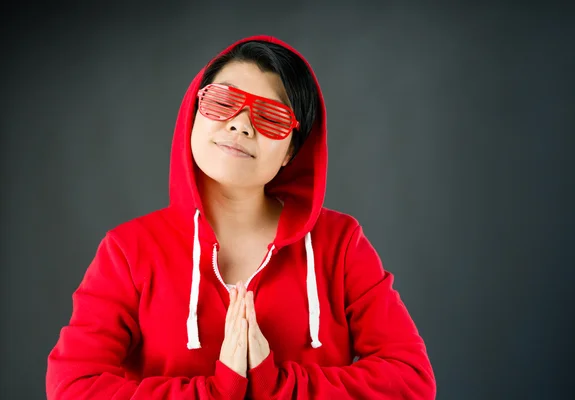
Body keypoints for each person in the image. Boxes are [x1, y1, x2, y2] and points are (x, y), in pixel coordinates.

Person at [46, 35, 436, 399]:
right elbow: (73, 386)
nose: (240, 124)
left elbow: (411, 380)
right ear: (194, 112)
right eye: (221, 101)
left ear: (290, 152)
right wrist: (216, 391)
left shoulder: (340, 243)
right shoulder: (128, 250)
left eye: (271, 117)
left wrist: (276, 384)